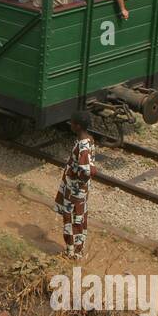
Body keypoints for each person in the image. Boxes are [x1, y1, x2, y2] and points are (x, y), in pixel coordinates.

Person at [54, 110, 96, 259]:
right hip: (79, 192)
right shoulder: (89, 140)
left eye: (72, 123)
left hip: (74, 192)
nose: (70, 125)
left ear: (77, 126)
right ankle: (76, 250)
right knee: (78, 218)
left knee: (72, 220)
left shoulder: (83, 147)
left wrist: (73, 174)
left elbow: (86, 171)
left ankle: (72, 253)